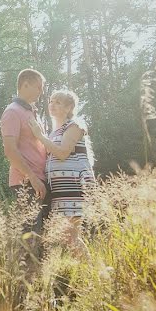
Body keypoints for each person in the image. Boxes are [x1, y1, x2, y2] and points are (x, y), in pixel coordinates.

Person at [27, 89, 96, 252]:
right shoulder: (54, 132)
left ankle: (90, 270)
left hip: (74, 186)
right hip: (60, 189)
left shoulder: (75, 125)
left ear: (69, 107)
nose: (52, 104)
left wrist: (39, 136)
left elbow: (63, 153)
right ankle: (81, 271)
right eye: (51, 101)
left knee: (71, 236)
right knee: (67, 236)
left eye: (58, 102)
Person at [0, 69, 49, 230]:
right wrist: (32, 178)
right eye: (38, 87)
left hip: (39, 180)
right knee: (31, 237)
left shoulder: (32, 112)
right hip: (26, 183)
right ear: (25, 84)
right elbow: (10, 151)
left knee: (42, 238)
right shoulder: (12, 111)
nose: (41, 91)